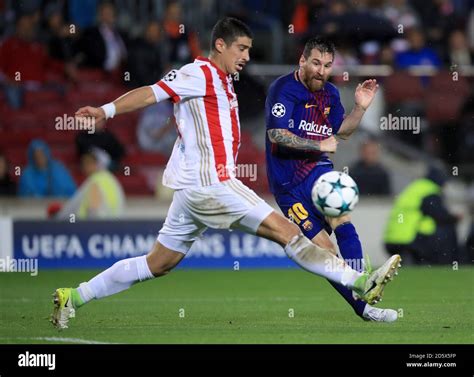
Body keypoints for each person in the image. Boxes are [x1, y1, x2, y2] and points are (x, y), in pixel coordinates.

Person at [51, 17, 401, 329]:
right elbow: (151, 93)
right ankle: (360, 282)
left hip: (191, 192)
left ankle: (75, 296)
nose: (247, 56)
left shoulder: (222, 80)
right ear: (220, 45)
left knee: (157, 263)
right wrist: (106, 110)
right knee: (289, 233)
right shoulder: (198, 73)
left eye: (249, 49)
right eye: (241, 48)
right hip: (213, 184)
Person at [265, 37, 398, 323]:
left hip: (318, 172)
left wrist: (360, 108)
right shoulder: (283, 89)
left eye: (327, 65)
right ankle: (363, 304)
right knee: (325, 250)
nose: (321, 71)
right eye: (315, 63)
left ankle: (365, 291)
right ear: (302, 61)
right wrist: (318, 145)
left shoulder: (331, 94)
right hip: (287, 185)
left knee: (342, 218)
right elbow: (276, 135)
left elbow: (344, 132)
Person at [384, 166, 460, 265]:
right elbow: (440, 215)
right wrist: (455, 218)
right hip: (410, 239)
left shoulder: (416, 187)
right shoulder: (429, 191)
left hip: (392, 238)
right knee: (445, 231)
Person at [55, 148, 125, 220]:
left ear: (97, 164)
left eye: (88, 163)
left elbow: (94, 209)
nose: (84, 167)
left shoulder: (96, 181)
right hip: (111, 227)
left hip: (94, 227)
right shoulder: (111, 179)